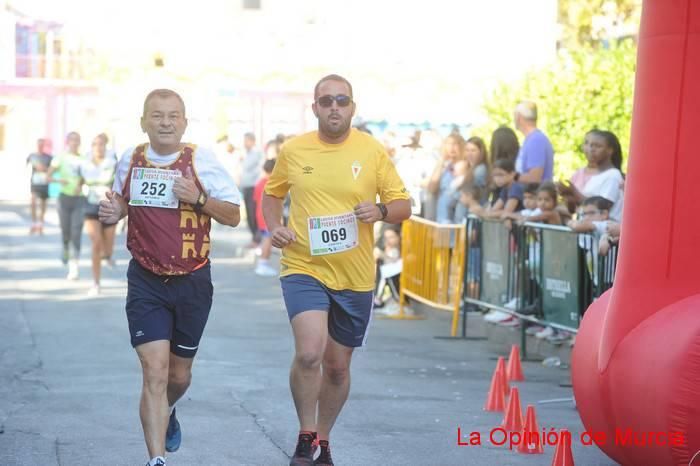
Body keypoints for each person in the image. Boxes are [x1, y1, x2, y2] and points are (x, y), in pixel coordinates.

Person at [261, 74, 411, 466]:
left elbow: (403, 205)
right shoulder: (294, 150)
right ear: (314, 108)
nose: (333, 107)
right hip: (303, 265)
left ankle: (322, 440)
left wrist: (379, 210)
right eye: (325, 101)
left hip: (355, 275)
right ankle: (304, 432)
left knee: (337, 368)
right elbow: (272, 194)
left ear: (352, 107)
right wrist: (274, 226)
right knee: (310, 353)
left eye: (341, 101)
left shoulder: (372, 151)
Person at [98, 89, 241, 466]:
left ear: (184, 122)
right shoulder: (131, 157)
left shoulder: (201, 160)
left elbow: (233, 215)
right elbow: (124, 202)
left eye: (173, 116)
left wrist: (198, 199)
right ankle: (156, 459)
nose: (165, 122)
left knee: (178, 376)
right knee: (154, 371)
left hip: (193, 280)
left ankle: (167, 410)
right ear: (143, 121)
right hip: (145, 278)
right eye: (157, 116)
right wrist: (115, 212)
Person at [79, 134, 118, 296]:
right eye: (95, 144)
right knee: (95, 242)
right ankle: (96, 282)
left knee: (107, 247)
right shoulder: (84, 162)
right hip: (90, 204)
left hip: (109, 204)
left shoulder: (113, 162)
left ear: (106, 146)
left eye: (101, 144)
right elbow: (78, 179)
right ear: (92, 146)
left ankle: (108, 255)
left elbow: (121, 182)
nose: (98, 147)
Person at [557, 130, 624, 222]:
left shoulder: (613, 175)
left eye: (597, 146)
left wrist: (574, 192)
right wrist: (569, 198)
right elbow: (576, 210)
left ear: (610, 150)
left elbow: (601, 207)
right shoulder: (595, 176)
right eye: (587, 144)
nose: (591, 149)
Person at [48, 132, 86, 279]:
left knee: (76, 232)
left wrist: (81, 184)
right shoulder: (60, 157)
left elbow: (86, 176)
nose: (75, 143)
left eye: (77, 140)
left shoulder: (84, 159)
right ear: (67, 142)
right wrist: (59, 181)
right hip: (64, 198)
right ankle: (65, 247)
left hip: (79, 199)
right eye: (72, 140)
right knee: (66, 231)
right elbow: (48, 175)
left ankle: (74, 267)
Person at [428, 133, 468, 223]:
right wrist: (441, 161)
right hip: (441, 215)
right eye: (448, 144)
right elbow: (431, 188)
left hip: (455, 215)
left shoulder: (464, 165)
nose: (451, 147)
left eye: (455, 144)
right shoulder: (445, 165)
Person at [513, 101, 554, 184]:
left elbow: (535, 178)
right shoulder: (532, 139)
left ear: (519, 117)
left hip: (535, 195)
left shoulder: (536, 141)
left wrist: (513, 177)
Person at [254, 158, 277, 277]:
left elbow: (255, 199)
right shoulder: (271, 183)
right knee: (268, 239)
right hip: (267, 216)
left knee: (266, 238)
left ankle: (263, 263)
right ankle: (263, 264)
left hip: (260, 215)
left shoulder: (259, 183)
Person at [240, 132, 264, 247]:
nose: (244, 143)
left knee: (253, 213)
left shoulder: (257, 153)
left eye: (246, 141)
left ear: (252, 141)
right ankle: (254, 237)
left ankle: (257, 239)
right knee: (249, 214)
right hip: (246, 186)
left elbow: (254, 168)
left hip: (253, 186)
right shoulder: (247, 154)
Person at [26, 138, 53, 234]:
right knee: (33, 202)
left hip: (44, 183)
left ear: (44, 146)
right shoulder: (31, 156)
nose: (40, 146)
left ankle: (40, 224)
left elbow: (53, 169)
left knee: (43, 205)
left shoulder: (49, 157)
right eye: (39, 145)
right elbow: (26, 167)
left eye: (42, 145)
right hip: (35, 183)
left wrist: (44, 168)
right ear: (36, 145)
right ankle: (33, 223)